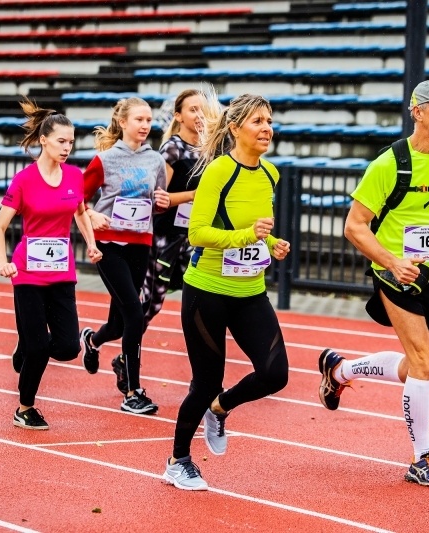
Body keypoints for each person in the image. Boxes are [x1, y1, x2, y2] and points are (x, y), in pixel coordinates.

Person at [317, 79, 429, 488]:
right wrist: (392, 261)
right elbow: (354, 227)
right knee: (425, 363)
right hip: (395, 277)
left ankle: (340, 369)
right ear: (417, 111)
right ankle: (421, 458)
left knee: (415, 369)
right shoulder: (389, 164)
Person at [162, 93, 291, 491]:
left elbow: (257, 229)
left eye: (269, 120)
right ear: (235, 128)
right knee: (206, 379)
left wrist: (272, 245)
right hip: (207, 290)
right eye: (257, 121)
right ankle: (178, 460)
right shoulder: (219, 170)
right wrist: (247, 237)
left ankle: (220, 409)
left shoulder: (271, 174)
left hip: (250, 290)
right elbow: (198, 232)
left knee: (275, 374)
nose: (266, 128)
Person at [0, 97, 101, 431]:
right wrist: (2, 263)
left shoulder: (74, 176)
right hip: (27, 273)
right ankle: (25, 407)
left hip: (61, 273)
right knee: (39, 347)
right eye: (61, 141)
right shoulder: (24, 180)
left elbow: (80, 213)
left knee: (68, 347)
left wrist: (92, 245)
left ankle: (27, 345)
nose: (67, 147)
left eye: (71, 142)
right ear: (43, 140)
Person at [79, 97, 170, 415]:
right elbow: (78, 200)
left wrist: (161, 201)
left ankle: (92, 340)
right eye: (139, 120)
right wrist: (91, 216)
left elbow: (158, 201)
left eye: (148, 120)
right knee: (135, 313)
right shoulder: (105, 160)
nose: (145, 126)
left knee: (118, 324)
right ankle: (133, 391)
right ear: (122, 123)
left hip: (140, 243)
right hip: (109, 244)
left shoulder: (155, 160)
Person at [137, 88, 206, 335]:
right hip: (165, 236)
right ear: (178, 116)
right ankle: (121, 352)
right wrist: (192, 196)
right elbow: (157, 200)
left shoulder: (210, 150)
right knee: (151, 304)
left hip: (194, 235)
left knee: (204, 296)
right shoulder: (172, 149)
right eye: (193, 110)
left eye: (203, 109)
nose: (200, 115)